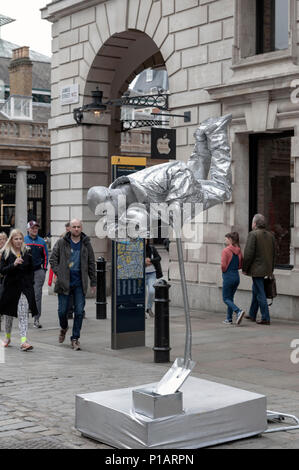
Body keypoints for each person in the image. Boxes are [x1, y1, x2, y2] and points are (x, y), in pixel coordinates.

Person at [49, 219, 96, 350]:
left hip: (79, 283)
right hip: (64, 283)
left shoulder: (86, 244)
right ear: (69, 228)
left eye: (78, 227)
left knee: (79, 312)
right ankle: (64, 327)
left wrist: (93, 281)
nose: (76, 229)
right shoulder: (62, 242)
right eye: (74, 227)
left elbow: (91, 262)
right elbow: (52, 259)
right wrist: (60, 272)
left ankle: (75, 338)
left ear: (81, 228)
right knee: (62, 311)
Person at [0, 229, 38, 351]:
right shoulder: (6, 253)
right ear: (11, 240)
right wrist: (14, 264)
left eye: (20, 239)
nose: (18, 241)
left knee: (23, 314)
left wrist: (30, 283)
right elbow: (2, 270)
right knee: (9, 315)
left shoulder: (27, 252)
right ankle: (7, 337)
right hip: (10, 288)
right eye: (16, 239)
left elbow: (32, 270)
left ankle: (23, 341)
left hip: (24, 289)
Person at [243, 214, 276, 325]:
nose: (252, 224)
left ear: (255, 224)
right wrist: (271, 269)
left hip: (257, 270)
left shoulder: (253, 234)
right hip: (267, 269)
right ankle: (252, 314)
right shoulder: (271, 235)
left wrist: (244, 268)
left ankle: (265, 317)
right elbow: (274, 254)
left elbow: (248, 254)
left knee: (260, 292)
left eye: (252, 222)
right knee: (255, 290)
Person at [24, 220, 48, 329]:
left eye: (36, 228)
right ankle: (24, 317)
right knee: (25, 295)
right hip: (26, 272)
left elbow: (46, 256)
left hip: (38, 271)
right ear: (28, 229)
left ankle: (36, 319)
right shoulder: (23, 240)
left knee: (37, 295)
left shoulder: (42, 242)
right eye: (33, 228)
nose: (35, 230)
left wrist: (44, 268)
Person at [221, 232, 245, 325]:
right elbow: (240, 265)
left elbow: (223, 265)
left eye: (226, 238)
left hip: (228, 276)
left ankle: (238, 311)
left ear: (230, 239)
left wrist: (224, 271)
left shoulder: (225, 251)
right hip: (236, 277)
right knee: (230, 298)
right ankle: (229, 319)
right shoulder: (239, 250)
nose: (225, 240)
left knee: (225, 298)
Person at [145, 239, 163, 318]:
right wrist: (144, 263)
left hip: (152, 274)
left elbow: (159, 258)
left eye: (146, 239)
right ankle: (141, 310)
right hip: (141, 275)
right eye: (143, 239)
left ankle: (148, 308)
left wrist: (151, 260)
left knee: (152, 291)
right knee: (142, 294)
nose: (145, 241)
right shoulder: (138, 249)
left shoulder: (152, 248)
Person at [0, 232, 8, 331]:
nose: (1, 241)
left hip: (5, 279)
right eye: (0, 239)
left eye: (3, 239)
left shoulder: (8, 251)